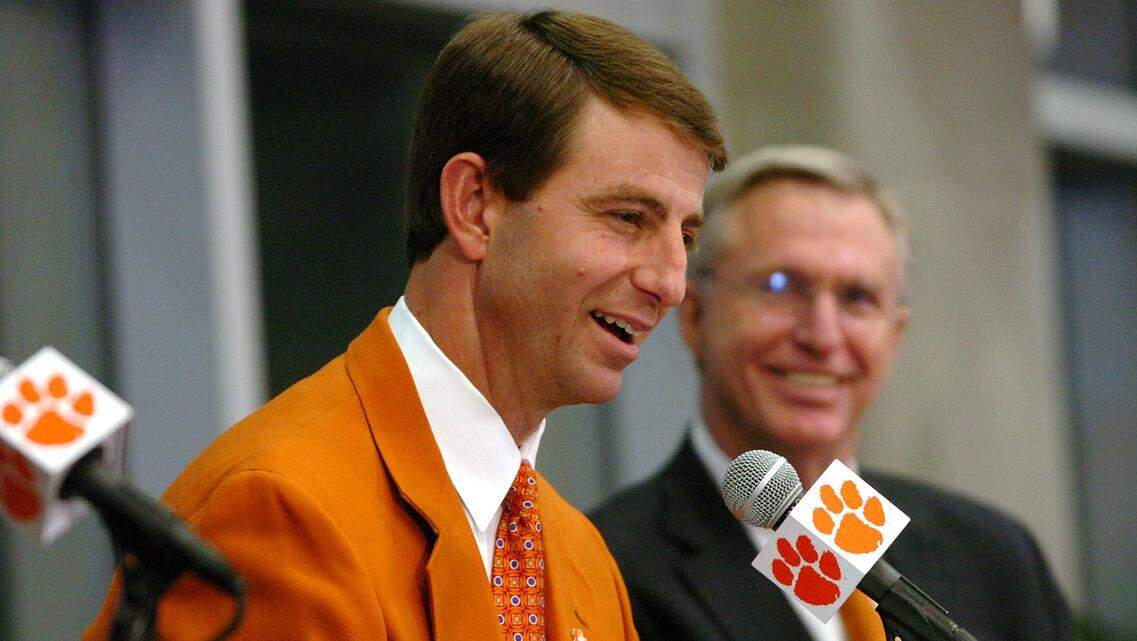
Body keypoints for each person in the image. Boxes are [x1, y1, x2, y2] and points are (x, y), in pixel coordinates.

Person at [84, 11, 725, 641]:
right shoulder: (283, 508)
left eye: (686, 234)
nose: (670, 282)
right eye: (627, 218)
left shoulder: (581, 558)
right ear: (474, 207)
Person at [592, 145, 1072, 641]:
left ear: (894, 335)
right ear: (694, 316)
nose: (822, 336)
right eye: (780, 285)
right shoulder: (608, 568)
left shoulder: (999, 563)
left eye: (857, 298)